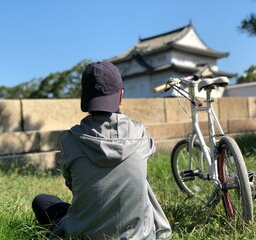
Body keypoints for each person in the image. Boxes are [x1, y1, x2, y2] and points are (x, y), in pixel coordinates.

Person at [32, 61, 172, 240]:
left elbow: (72, 186)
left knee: (42, 202)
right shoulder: (140, 135)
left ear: (84, 97)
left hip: (84, 234)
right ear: (121, 96)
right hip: (139, 235)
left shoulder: (70, 141)